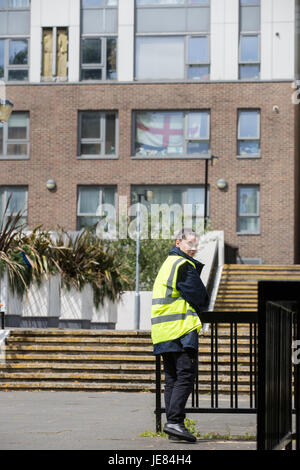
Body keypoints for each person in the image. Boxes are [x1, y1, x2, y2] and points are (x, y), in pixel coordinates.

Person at [151, 228, 209, 442]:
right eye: (190, 243)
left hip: (163, 330)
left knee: (173, 378)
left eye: (196, 244)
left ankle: (175, 426)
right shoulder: (183, 265)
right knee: (185, 375)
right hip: (180, 329)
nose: (193, 248)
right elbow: (200, 296)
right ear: (178, 242)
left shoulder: (168, 264)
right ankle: (175, 422)